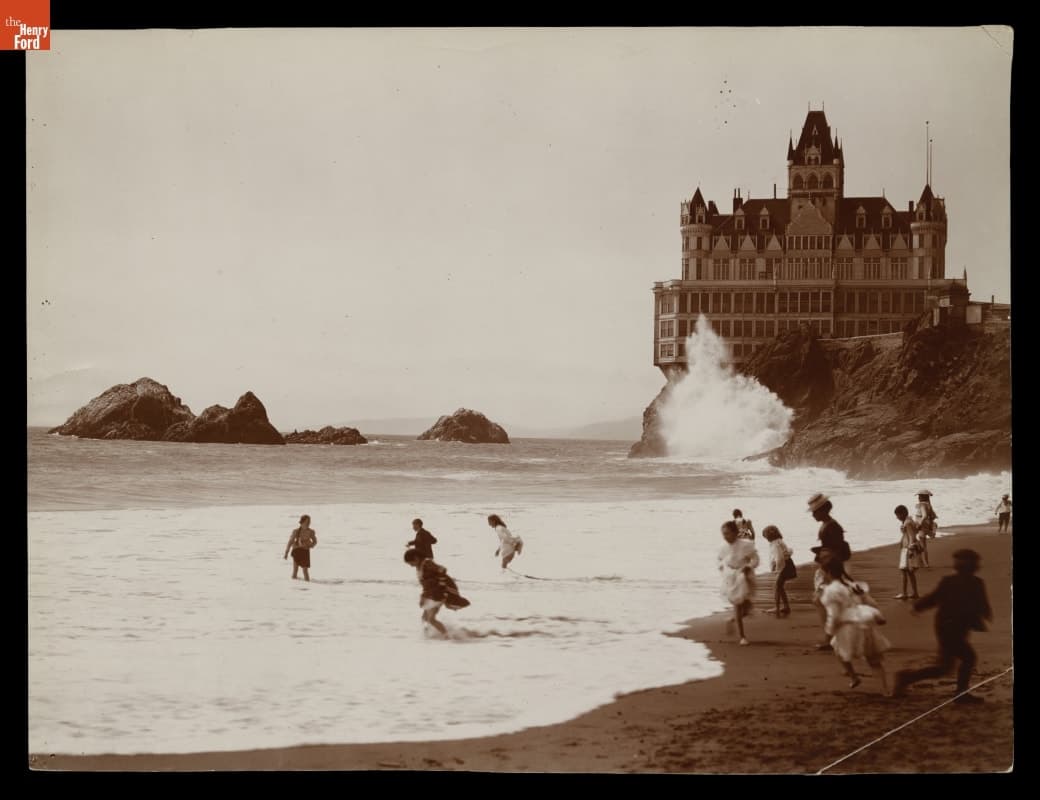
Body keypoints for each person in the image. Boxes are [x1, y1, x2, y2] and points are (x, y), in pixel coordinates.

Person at [892, 549, 993, 704]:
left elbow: (933, 598)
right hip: (953, 629)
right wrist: (986, 615)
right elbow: (982, 605)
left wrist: (918, 606)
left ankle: (907, 678)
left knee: (945, 666)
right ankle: (960, 694)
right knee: (966, 658)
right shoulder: (976, 583)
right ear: (974, 566)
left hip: (945, 626)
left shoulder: (949, 581)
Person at [819, 559, 891, 693]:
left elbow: (833, 615)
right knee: (873, 659)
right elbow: (871, 602)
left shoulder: (832, 590)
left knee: (839, 650)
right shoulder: (852, 585)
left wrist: (829, 632)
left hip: (848, 626)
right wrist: (876, 615)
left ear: (828, 572)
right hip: (864, 622)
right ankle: (885, 689)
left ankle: (853, 676)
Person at [807, 492, 852, 650]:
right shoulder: (831, 525)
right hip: (830, 567)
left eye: (814, 512)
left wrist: (833, 573)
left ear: (823, 511)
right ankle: (832, 635)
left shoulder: (830, 526)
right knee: (824, 601)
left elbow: (836, 551)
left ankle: (830, 637)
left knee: (822, 600)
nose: (812, 515)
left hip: (831, 568)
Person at [403, 548, 470, 637]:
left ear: (416, 558)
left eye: (411, 563)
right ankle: (429, 635)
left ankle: (446, 636)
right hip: (433, 593)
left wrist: (441, 586)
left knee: (430, 619)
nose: (411, 566)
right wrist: (422, 597)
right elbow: (426, 585)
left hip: (439, 593)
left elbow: (442, 569)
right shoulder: (420, 566)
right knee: (424, 618)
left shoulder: (427, 563)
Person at [718, 519, 759, 646]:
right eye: (723, 533)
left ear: (736, 533)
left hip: (745, 576)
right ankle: (742, 636)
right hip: (732, 578)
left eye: (728, 533)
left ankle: (731, 619)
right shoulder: (723, 547)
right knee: (737, 604)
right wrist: (722, 569)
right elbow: (720, 560)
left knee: (748, 608)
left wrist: (750, 566)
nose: (725, 536)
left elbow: (756, 559)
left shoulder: (746, 545)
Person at [762, 525, 794, 617]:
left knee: (777, 586)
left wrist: (777, 570)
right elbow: (789, 551)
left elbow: (779, 558)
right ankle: (786, 606)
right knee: (780, 586)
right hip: (787, 564)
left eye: (766, 537)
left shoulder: (775, 544)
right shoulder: (779, 541)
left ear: (769, 536)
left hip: (783, 566)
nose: (766, 539)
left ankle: (777, 607)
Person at [894, 505, 922, 600]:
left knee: (904, 571)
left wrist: (910, 549)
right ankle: (914, 593)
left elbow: (911, 537)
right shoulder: (908, 521)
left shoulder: (908, 523)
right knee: (909, 572)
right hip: (907, 548)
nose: (897, 517)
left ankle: (904, 593)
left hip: (907, 549)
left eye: (897, 515)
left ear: (902, 514)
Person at [284, 514, 317, 581]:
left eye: (309, 522)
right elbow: (290, 542)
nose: (308, 523)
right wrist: (286, 552)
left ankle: (308, 587)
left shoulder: (311, 532)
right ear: (302, 522)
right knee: (295, 571)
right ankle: (294, 586)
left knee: (305, 570)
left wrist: (311, 545)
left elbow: (315, 541)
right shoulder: (296, 531)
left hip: (305, 551)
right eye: (307, 522)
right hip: (296, 551)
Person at [914, 490, 938, 567]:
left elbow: (924, 515)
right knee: (922, 545)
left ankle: (924, 563)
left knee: (921, 545)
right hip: (926, 526)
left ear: (922, 497)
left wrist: (919, 524)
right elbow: (934, 516)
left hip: (921, 527)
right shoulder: (929, 505)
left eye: (919, 496)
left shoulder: (921, 505)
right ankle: (924, 562)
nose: (918, 498)